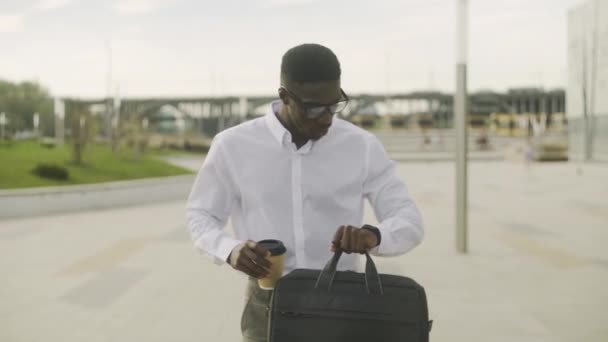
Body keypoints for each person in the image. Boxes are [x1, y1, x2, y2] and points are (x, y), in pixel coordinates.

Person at [186, 43, 424, 342]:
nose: (326, 118)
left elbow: (409, 220)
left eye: (334, 105)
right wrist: (229, 250)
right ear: (284, 96)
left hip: (344, 302)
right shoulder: (232, 146)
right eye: (313, 107)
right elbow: (201, 215)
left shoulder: (362, 146)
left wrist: (373, 235)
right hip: (268, 300)